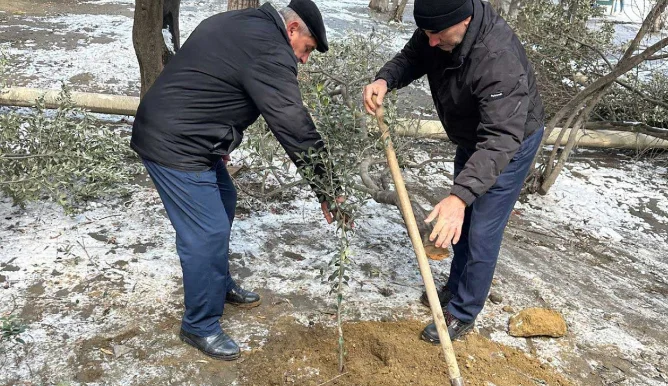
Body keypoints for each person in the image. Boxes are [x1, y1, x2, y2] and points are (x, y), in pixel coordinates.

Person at [131, 0, 341, 360]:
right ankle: (199, 325)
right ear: (291, 30)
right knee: (207, 232)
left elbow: (213, 77)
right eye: (306, 50)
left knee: (224, 200)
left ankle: (217, 282)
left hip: (191, 135)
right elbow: (292, 123)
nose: (304, 60)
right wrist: (327, 186)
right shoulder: (269, 49)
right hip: (175, 143)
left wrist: (220, 135)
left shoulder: (243, 23)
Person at [363, 0, 545, 344]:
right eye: (427, 33)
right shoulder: (440, 27)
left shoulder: (496, 56)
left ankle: (464, 311)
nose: (430, 41)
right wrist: (385, 79)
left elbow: (500, 138)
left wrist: (460, 197)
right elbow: (413, 57)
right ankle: (455, 287)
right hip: (475, 133)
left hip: (509, 141)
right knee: (458, 219)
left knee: (480, 228)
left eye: (437, 35)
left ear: (464, 21)